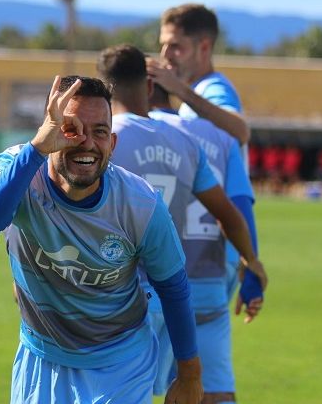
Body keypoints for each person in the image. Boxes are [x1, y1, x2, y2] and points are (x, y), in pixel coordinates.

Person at [0, 75, 204, 404]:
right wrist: (36, 151)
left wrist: (189, 376)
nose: (87, 143)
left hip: (120, 363)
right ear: (52, 128)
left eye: (100, 132)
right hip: (41, 355)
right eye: (72, 129)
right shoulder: (18, 169)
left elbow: (174, 287)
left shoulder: (141, 204)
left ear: (112, 144)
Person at [97, 45, 267, 403]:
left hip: (122, 298)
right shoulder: (188, 140)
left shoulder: (106, 142)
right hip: (183, 293)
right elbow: (231, 212)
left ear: (105, 89)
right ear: (149, 85)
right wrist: (251, 260)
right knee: (212, 391)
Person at [146, 3, 250, 150]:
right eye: (163, 45)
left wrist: (179, 89)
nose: (165, 54)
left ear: (204, 48)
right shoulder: (199, 91)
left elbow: (241, 131)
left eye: (175, 46)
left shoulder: (214, 88)